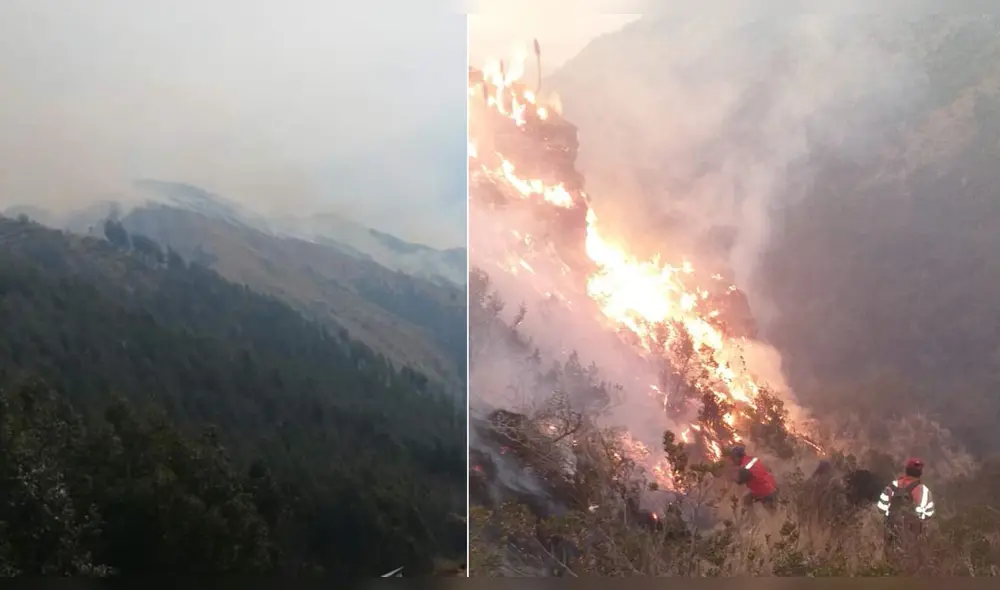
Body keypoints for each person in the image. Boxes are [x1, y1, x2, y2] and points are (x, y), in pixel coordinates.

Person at [877, 458, 935, 560]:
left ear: (906, 470)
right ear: (921, 473)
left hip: (891, 531)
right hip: (913, 536)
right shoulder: (925, 491)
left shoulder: (891, 486)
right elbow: (929, 514)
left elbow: (881, 508)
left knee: (889, 561)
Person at [729, 444, 778, 511]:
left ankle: (750, 518)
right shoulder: (753, 459)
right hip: (772, 485)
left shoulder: (744, 468)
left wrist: (729, 474)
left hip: (765, 492)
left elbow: (739, 481)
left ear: (738, 457)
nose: (732, 461)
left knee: (746, 500)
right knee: (747, 496)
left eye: (733, 458)